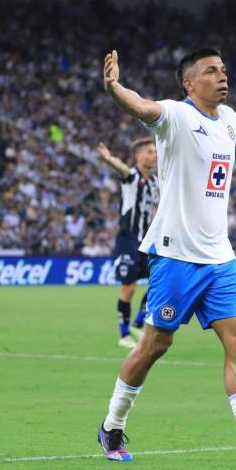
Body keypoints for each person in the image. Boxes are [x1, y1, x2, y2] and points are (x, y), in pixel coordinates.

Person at [97, 47, 236, 466]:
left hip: (219, 257)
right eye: (211, 71)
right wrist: (113, 87)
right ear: (189, 83)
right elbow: (140, 105)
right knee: (154, 345)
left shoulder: (229, 121)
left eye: (224, 70)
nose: (222, 76)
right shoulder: (175, 116)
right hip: (175, 255)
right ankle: (112, 425)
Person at [97, 138, 159, 348]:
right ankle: (124, 335)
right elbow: (122, 169)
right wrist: (109, 159)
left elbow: (156, 210)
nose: (154, 155)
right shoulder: (132, 177)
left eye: (155, 152)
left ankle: (138, 323)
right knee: (129, 288)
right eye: (150, 152)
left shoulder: (155, 182)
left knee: (159, 281)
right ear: (139, 156)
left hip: (147, 240)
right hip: (128, 239)